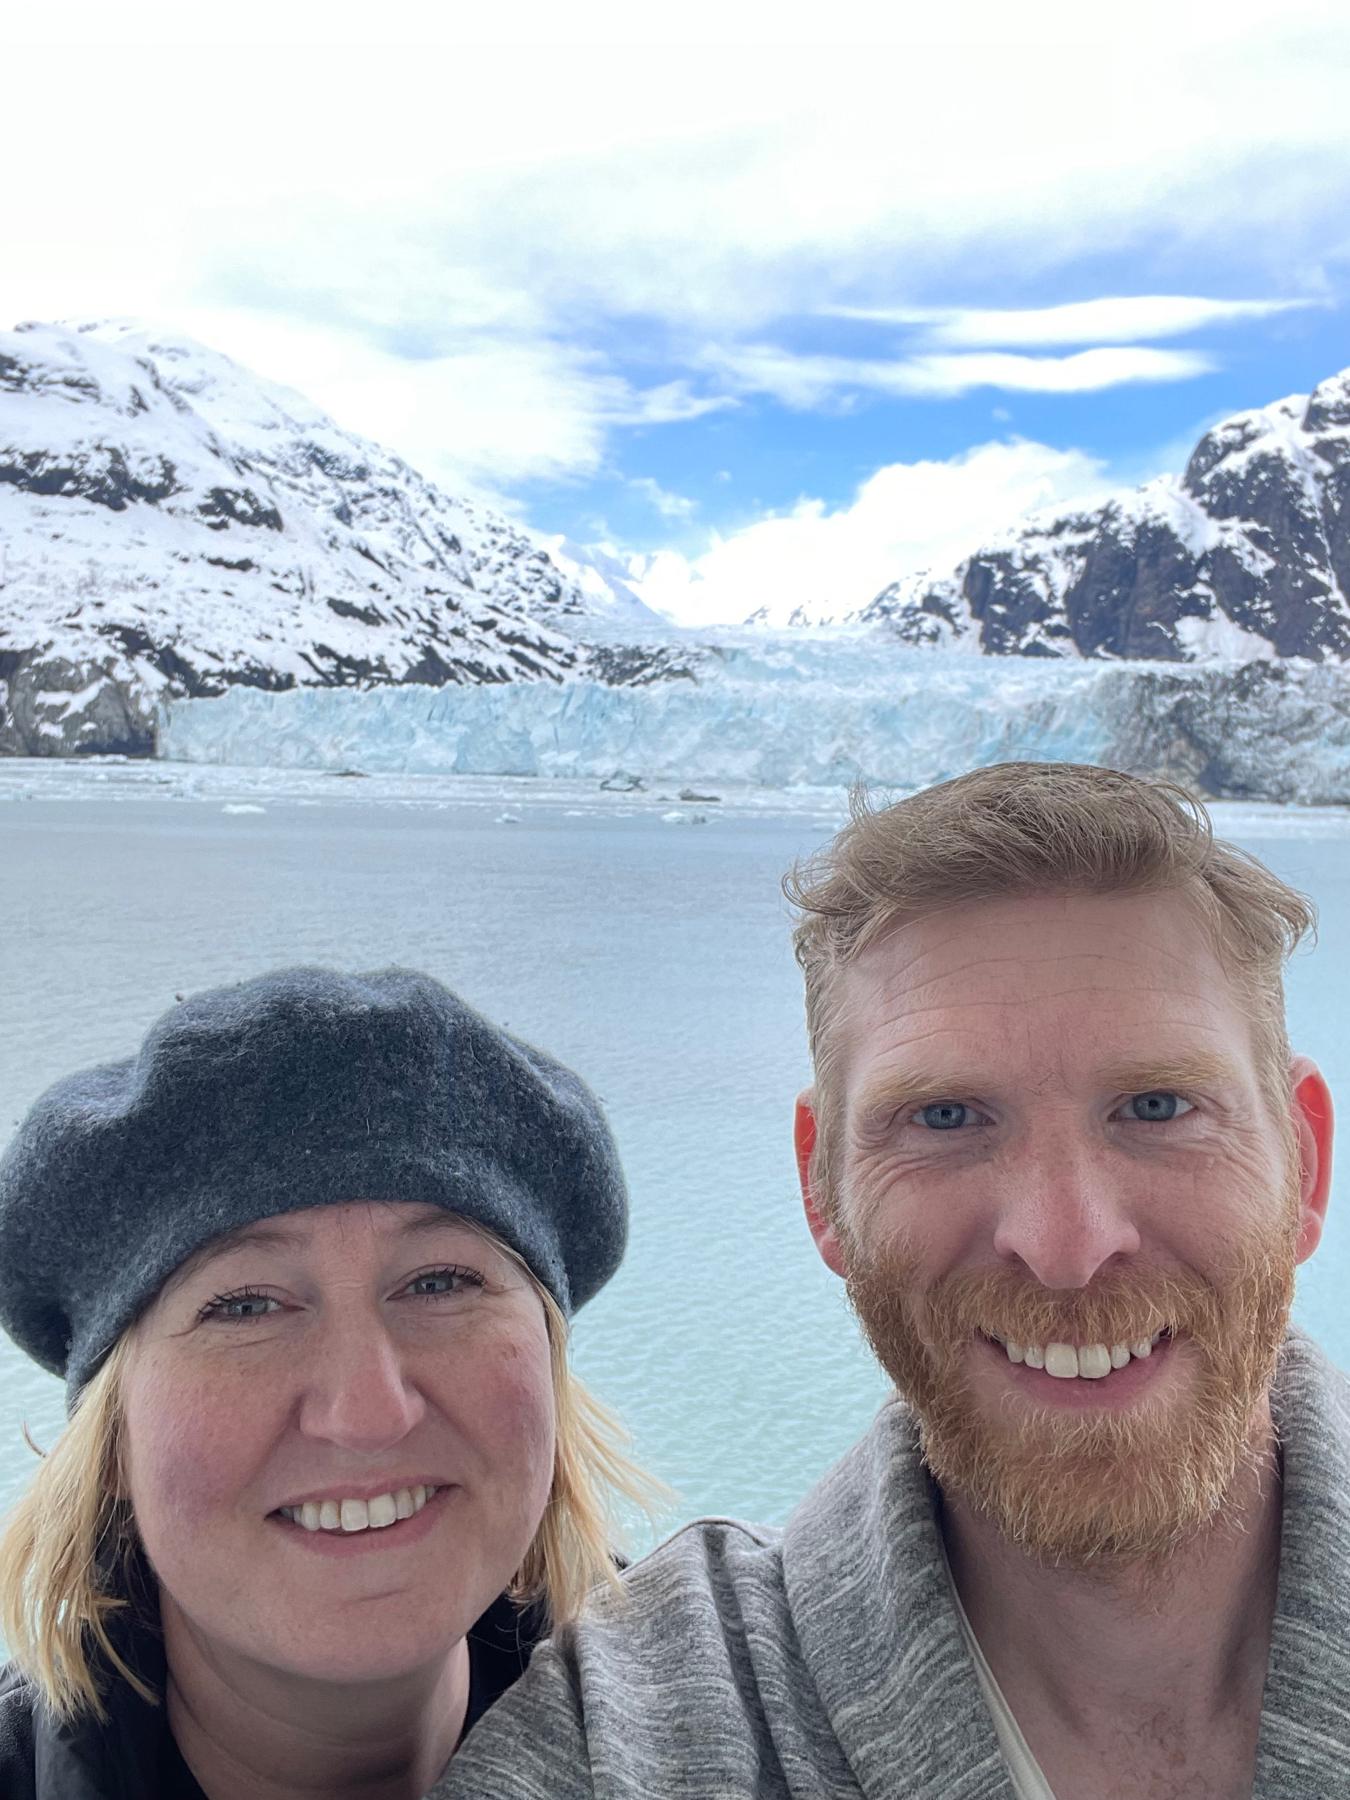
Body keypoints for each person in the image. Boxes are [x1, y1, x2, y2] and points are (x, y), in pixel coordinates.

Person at [440, 762, 1350, 1800]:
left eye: (1157, 1107)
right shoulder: (622, 1743)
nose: (1066, 1246)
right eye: (946, 1120)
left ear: (1306, 1164)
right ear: (824, 1189)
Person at [0, 965, 648, 1800]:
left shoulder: (735, 1722)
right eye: (244, 1305)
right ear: (113, 1436)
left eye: (440, 1282)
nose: (369, 1413)